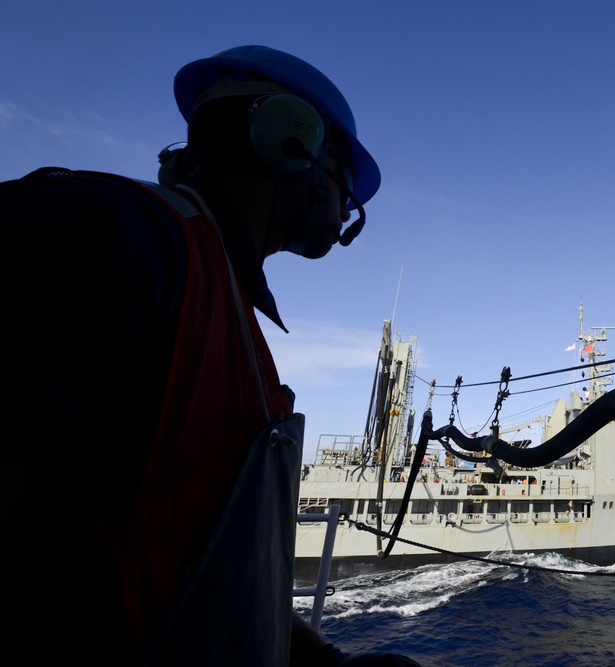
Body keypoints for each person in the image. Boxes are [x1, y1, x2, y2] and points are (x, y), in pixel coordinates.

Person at [0, 45, 420, 666]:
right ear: (290, 138)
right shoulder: (108, 234)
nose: (345, 212)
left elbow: (191, 572)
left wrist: (324, 663)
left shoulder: (214, 296)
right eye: (343, 180)